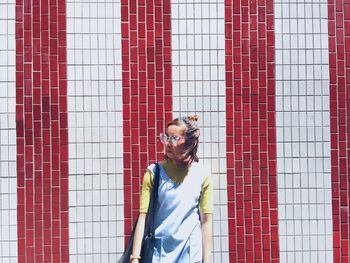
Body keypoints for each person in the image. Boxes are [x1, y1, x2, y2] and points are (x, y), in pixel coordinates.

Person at [129, 115, 213, 263]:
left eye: (174, 139)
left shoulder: (202, 175)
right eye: (166, 137)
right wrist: (135, 257)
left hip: (190, 252)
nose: (168, 143)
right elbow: (143, 216)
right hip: (160, 254)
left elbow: (206, 221)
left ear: (188, 144)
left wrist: (207, 261)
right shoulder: (154, 173)